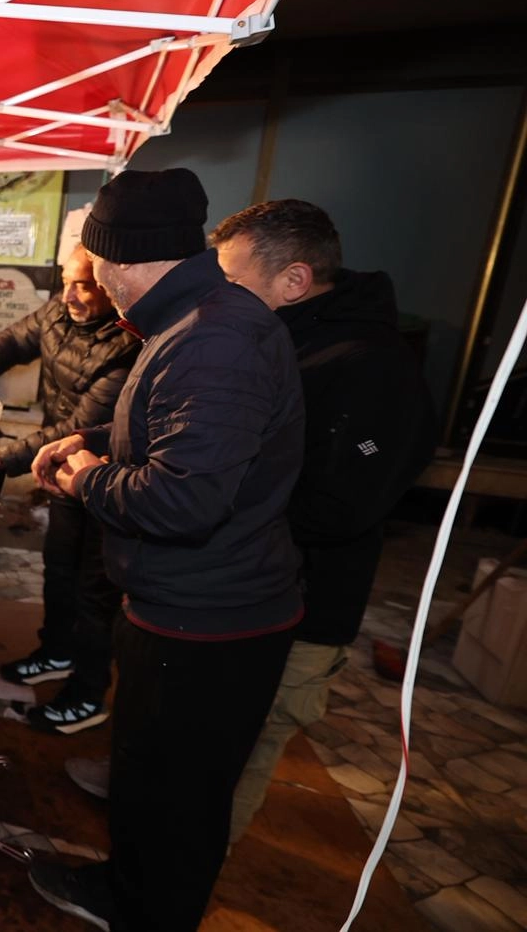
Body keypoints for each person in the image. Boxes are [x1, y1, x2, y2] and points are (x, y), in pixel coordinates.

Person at [24, 168, 304, 932]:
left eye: (95, 262)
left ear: (116, 260)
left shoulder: (214, 339)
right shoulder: (192, 318)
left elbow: (184, 498)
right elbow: (178, 435)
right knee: (147, 780)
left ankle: (148, 914)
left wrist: (87, 479)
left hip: (211, 622)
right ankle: (125, 889)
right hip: (182, 605)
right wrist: (90, 440)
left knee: (178, 799)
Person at [211, 199, 437, 843]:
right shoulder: (283, 337)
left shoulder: (369, 365)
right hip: (241, 589)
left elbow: (342, 503)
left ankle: (182, 877)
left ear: (295, 280)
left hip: (301, 608)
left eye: (232, 281)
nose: (220, 295)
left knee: (241, 755)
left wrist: (215, 519)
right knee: (202, 736)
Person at [0, 245, 139, 733]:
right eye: (66, 281)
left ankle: (88, 694)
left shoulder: (128, 342)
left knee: (94, 591)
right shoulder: (60, 309)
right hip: (63, 473)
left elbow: (78, 426)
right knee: (58, 569)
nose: (69, 295)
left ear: (110, 284)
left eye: (84, 285)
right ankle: (56, 652)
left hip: (107, 478)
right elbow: (18, 337)